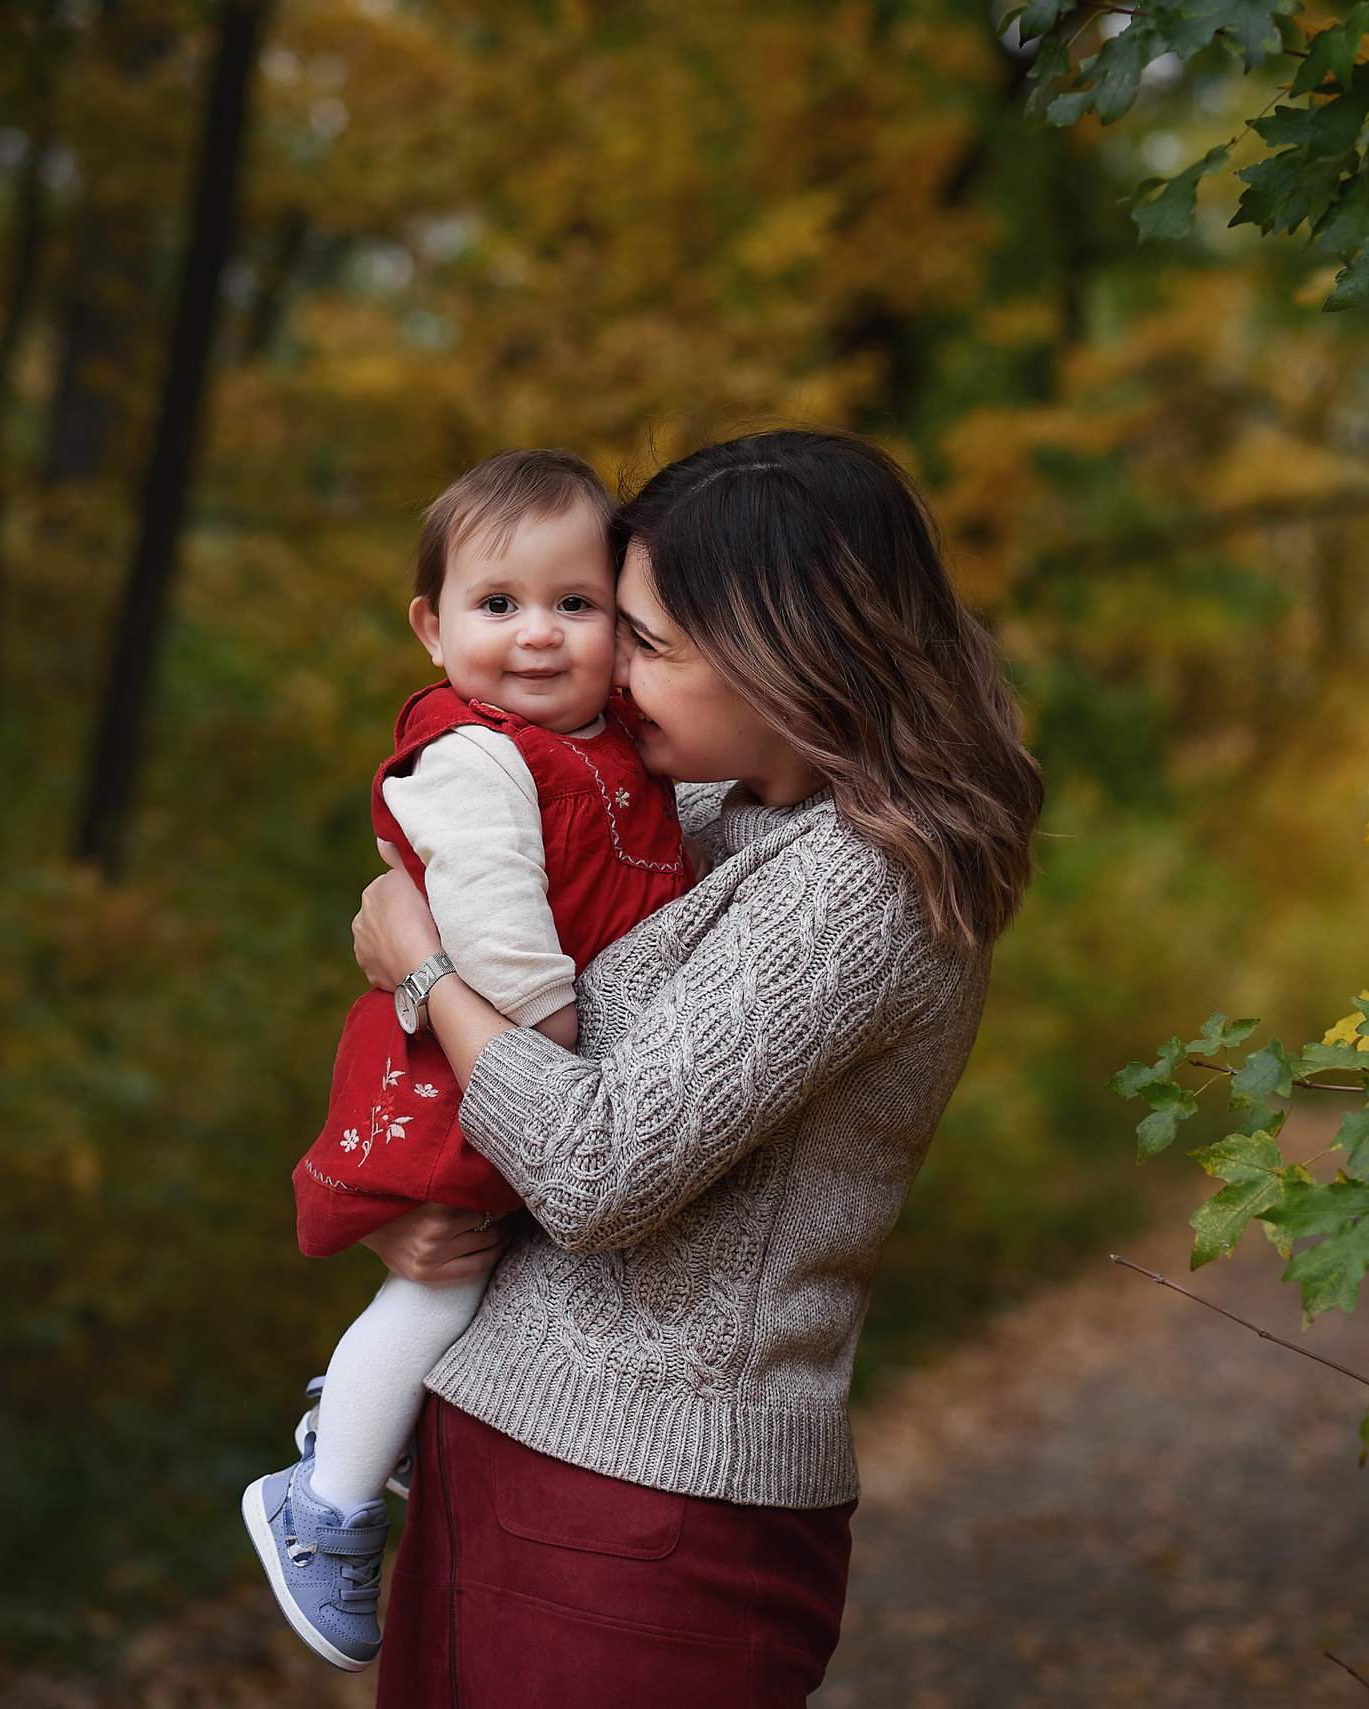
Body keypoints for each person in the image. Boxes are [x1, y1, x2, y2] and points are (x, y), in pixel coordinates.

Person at [348, 429, 1044, 1706]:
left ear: (789, 652)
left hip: (644, 1511)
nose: (612, 670)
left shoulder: (861, 882)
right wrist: (421, 1215)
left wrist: (422, 970)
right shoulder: (712, 812)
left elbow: (593, 1165)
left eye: (648, 641)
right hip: (498, 1448)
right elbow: (514, 1032)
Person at [243, 448, 695, 1672]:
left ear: (625, 627)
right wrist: (548, 1036)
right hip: (470, 1061)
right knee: (441, 1277)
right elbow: (492, 919)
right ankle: (323, 1500)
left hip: (502, 1058)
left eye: (574, 603)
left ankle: (367, 1417)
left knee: (476, 1268)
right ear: (431, 629)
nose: (538, 633)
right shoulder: (473, 756)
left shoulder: (618, 749)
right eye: (498, 603)